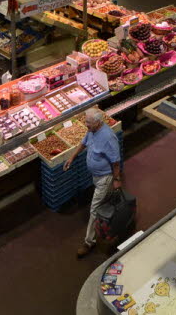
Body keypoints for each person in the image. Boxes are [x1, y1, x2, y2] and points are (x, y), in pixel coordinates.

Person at [64, 108, 122, 258]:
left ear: (98, 122)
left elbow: (116, 162)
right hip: (96, 176)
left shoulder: (108, 138)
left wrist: (116, 180)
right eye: (86, 122)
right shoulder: (92, 130)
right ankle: (110, 225)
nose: (86, 125)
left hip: (105, 177)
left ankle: (89, 242)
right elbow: (84, 143)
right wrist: (72, 157)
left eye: (88, 122)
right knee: (105, 201)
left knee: (94, 209)